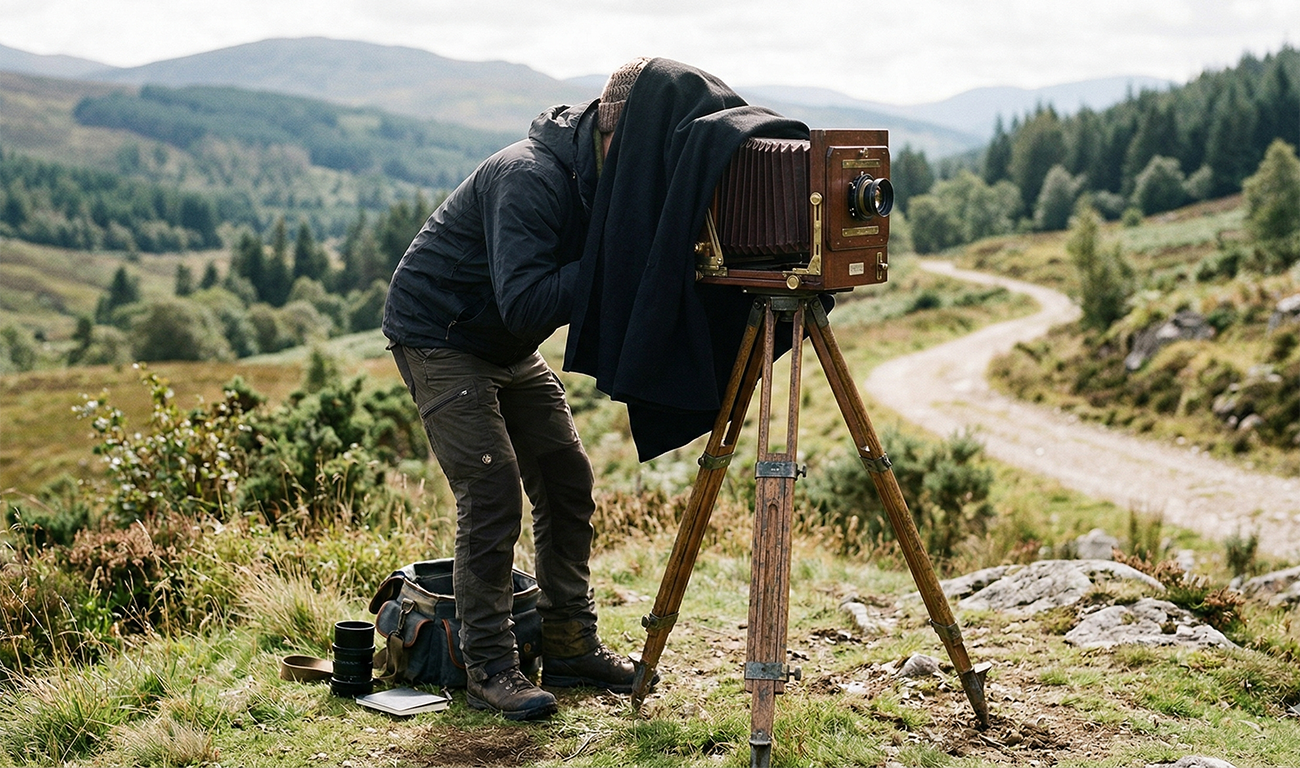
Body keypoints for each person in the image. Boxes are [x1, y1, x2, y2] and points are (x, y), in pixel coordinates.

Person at [381, 58, 653, 721]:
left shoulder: (598, 177)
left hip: (501, 342)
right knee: (492, 486)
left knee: (566, 475)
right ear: (613, 130)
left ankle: (568, 644)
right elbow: (531, 302)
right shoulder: (528, 177)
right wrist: (610, 261)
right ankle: (491, 668)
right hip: (438, 335)